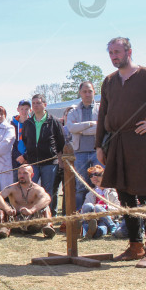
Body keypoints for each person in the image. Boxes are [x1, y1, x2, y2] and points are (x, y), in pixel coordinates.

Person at [96, 37, 146, 268]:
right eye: (111, 53)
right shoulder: (109, 81)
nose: (114, 56)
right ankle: (135, 246)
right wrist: (99, 145)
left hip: (141, 142)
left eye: (117, 52)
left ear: (129, 51)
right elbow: (102, 114)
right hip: (116, 143)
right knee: (125, 196)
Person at [21, 94, 65, 216]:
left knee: (48, 191)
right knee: (31, 190)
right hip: (33, 162)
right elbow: (25, 140)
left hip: (50, 162)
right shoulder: (28, 123)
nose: (35, 105)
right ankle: (33, 216)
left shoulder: (54, 121)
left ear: (45, 105)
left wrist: (56, 155)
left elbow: (61, 141)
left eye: (38, 103)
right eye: (33, 103)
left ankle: (49, 217)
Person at [0, 165, 55, 239]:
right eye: (19, 173)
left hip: (33, 223)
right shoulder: (12, 188)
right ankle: (3, 229)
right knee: (1, 206)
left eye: (25, 173)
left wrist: (32, 210)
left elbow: (47, 198)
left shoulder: (37, 189)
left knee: (45, 206)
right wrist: (7, 209)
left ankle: (48, 227)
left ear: (32, 175)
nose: (21, 175)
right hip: (15, 222)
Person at [67, 82, 100, 210]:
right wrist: (91, 123)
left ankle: (100, 213)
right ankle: (80, 216)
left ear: (94, 92)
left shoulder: (101, 109)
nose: (87, 94)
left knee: (100, 184)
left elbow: (102, 127)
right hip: (79, 152)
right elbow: (71, 128)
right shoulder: (73, 111)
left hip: (97, 151)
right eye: (84, 91)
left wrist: (81, 128)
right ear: (80, 93)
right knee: (81, 185)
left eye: (90, 91)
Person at [81, 166, 119, 239]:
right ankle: (87, 229)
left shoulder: (112, 192)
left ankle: (110, 226)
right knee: (88, 205)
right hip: (93, 219)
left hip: (107, 218)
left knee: (98, 208)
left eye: (97, 174)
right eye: (91, 175)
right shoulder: (90, 193)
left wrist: (104, 207)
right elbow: (84, 210)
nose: (94, 177)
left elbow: (119, 210)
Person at [11, 100, 31, 181]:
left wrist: (25, 156)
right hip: (16, 159)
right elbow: (11, 143)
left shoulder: (32, 123)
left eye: (26, 109)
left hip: (29, 159)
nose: (24, 111)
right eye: (22, 109)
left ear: (30, 110)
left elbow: (33, 143)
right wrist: (18, 156)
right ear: (18, 109)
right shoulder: (12, 125)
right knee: (16, 184)